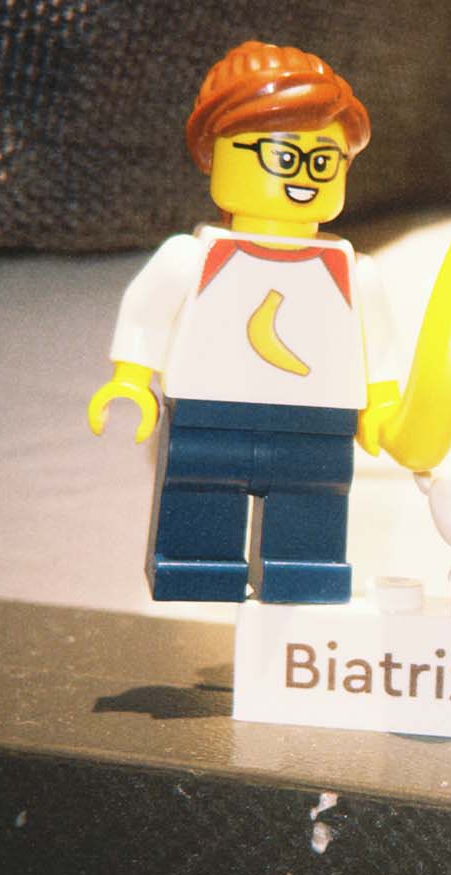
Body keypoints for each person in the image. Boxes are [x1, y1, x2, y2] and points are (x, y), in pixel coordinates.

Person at [88, 40, 398, 603]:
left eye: (323, 161)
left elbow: (378, 346)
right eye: (281, 154)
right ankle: (195, 566)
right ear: (214, 153)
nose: (304, 177)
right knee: (200, 491)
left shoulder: (354, 272)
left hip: (319, 420)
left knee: (314, 503)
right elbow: (147, 314)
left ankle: (303, 571)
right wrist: (131, 379)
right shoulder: (192, 258)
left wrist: (381, 402)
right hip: (208, 411)